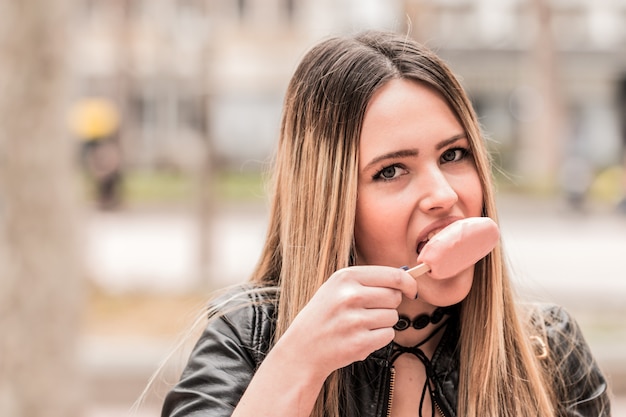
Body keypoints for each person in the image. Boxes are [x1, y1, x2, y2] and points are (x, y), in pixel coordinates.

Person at [161, 31, 610, 417]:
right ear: (330, 204)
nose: (444, 195)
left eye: (453, 155)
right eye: (391, 170)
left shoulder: (549, 349)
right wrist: (299, 365)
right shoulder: (249, 339)